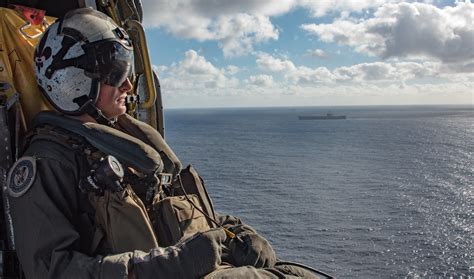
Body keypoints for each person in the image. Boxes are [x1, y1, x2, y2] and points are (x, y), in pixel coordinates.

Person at [7, 8, 327, 279]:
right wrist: (173, 264)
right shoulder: (47, 164)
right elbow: (53, 270)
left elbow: (170, 209)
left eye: (127, 71)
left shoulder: (124, 142)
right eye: (117, 73)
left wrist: (237, 231)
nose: (129, 84)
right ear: (73, 82)